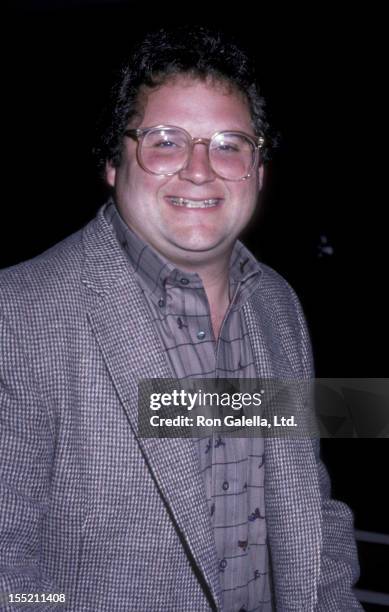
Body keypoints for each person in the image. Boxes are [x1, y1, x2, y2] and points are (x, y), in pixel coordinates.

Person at [0, 26, 362, 611]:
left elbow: (312, 503)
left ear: (259, 170)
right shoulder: (16, 315)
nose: (200, 169)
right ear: (114, 162)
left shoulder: (279, 305)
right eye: (165, 141)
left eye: (228, 143)